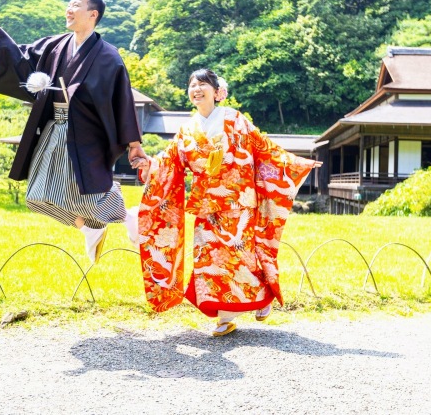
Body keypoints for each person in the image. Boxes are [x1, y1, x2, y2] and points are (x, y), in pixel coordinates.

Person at [0, 0, 146, 263]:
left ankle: (128, 217)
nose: (69, 10)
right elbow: (20, 63)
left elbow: (123, 101)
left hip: (87, 135)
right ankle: (89, 227)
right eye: (69, 5)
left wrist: (134, 145)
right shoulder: (55, 45)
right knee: (38, 195)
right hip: (54, 128)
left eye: (76, 6)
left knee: (88, 193)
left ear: (93, 14)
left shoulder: (109, 57)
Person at [131, 69, 321, 336]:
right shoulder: (187, 129)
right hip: (205, 203)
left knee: (238, 257)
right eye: (192, 85)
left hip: (237, 201)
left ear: (217, 91)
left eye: (203, 84)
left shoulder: (235, 119)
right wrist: (149, 163)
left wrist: (297, 163)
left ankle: (260, 297)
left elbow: (263, 148)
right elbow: (169, 160)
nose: (196, 89)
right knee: (208, 260)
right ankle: (225, 316)